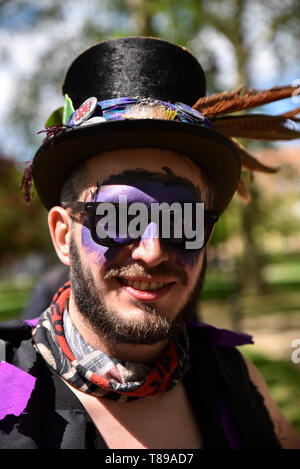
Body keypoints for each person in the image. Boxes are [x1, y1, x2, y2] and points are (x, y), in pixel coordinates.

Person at [0, 36, 300, 450]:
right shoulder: (4, 384)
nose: (154, 250)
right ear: (63, 235)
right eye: (119, 218)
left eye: (183, 221)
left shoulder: (236, 380)